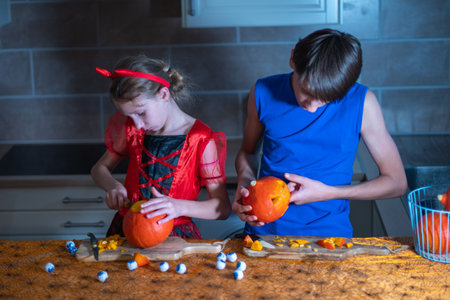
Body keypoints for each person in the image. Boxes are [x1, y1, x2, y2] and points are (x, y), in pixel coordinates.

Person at [233, 29, 407, 238]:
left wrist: (331, 192)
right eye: (306, 92)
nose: (312, 108)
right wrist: (246, 184)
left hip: (329, 236)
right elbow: (247, 152)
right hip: (263, 233)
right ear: (292, 60)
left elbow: (396, 182)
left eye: (326, 99)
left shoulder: (363, 103)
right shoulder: (262, 92)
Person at [91, 54, 231, 238]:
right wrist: (113, 187)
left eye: (140, 113)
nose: (137, 124)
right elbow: (98, 169)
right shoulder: (132, 131)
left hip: (175, 237)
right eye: (129, 116)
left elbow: (222, 208)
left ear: (163, 94)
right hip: (127, 232)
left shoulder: (200, 139)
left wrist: (179, 206)